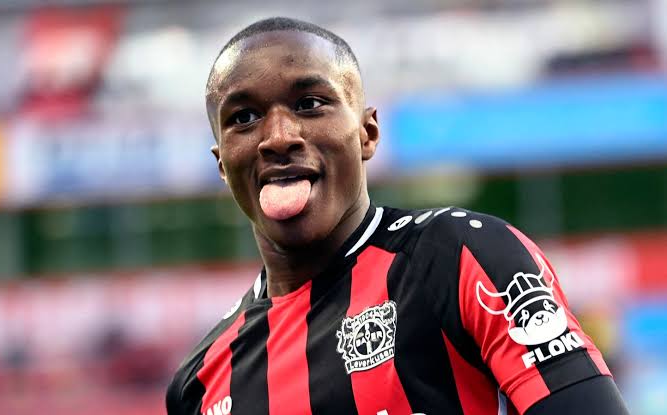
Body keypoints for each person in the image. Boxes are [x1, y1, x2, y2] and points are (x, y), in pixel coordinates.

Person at [166, 17, 630, 415]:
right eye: (244, 118)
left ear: (367, 133)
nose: (279, 137)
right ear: (223, 164)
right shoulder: (200, 383)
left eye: (309, 104)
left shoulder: (460, 258)